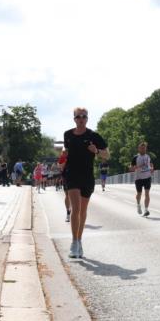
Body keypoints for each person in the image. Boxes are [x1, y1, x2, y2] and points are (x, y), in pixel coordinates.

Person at [62, 107, 108, 258]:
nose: (81, 119)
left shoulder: (93, 136)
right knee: (75, 209)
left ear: (87, 118)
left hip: (87, 176)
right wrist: (63, 154)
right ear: (74, 119)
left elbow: (107, 155)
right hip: (71, 174)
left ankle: (79, 240)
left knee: (82, 211)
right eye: (78, 117)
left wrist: (96, 151)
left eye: (83, 116)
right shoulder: (67, 135)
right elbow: (66, 150)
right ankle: (74, 243)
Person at [130, 141, 153, 216]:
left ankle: (146, 210)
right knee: (139, 193)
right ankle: (138, 205)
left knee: (147, 193)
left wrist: (152, 168)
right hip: (138, 178)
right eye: (142, 148)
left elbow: (151, 164)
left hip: (147, 177)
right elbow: (131, 168)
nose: (143, 149)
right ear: (139, 149)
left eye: (144, 148)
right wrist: (136, 167)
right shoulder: (135, 157)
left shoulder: (148, 156)